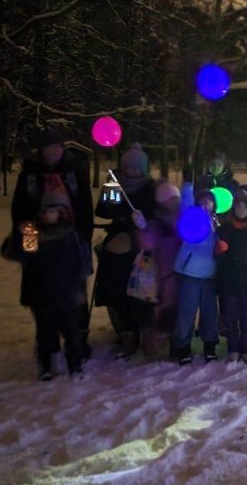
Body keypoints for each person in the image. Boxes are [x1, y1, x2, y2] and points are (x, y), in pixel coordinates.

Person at [11, 128, 93, 358]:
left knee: (75, 295)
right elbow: (21, 211)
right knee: (42, 295)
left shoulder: (74, 172)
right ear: (42, 150)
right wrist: (29, 247)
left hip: (71, 243)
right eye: (49, 148)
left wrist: (82, 240)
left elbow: (85, 208)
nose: (54, 152)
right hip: (40, 243)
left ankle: (78, 342)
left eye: (57, 147)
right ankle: (48, 343)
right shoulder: (30, 174)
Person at [20, 190, 92, 380]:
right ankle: (46, 365)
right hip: (42, 293)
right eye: (45, 210)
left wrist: (80, 288)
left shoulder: (71, 234)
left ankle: (75, 365)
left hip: (67, 292)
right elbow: (25, 260)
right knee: (45, 333)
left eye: (53, 210)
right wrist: (23, 237)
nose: (49, 214)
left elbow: (81, 262)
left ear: (62, 212)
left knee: (72, 332)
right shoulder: (32, 232)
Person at [94, 142, 157, 359]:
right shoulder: (115, 185)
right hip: (120, 238)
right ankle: (127, 329)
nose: (132, 172)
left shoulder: (151, 187)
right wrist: (122, 212)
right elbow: (103, 210)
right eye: (128, 167)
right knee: (119, 285)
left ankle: (146, 328)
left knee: (143, 287)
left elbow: (157, 212)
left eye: (136, 168)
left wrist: (144, 219)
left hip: (144, 241)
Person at [215, 189, 247, 365]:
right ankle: (233, 349)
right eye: (238, 205)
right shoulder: (224, 230)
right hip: (229, 280)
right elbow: (218, 258)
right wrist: (220, 252)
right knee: (230, 317)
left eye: (245, 205)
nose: (241, 209)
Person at [136, 181, 185, 352]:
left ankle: (178, 341)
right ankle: (161, 340)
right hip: (163, 271)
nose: (174, 202)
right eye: (170, 199)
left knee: (180, 306)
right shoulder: (156, 223)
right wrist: (143, 228)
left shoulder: (183, 217)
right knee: (165, 305)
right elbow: (147, 244)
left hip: (182, 270)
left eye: (176, 198)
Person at [172, 189, 219, 365]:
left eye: (210, 201)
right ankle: (183, 347)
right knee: (186, 312)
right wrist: (187, 182)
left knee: (210, 313)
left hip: (210, 275)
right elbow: (185, 201)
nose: (206, 203)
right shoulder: (191, 216)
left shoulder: (218, 222)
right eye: (203, 200)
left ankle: (210, 346)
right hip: (190, 273)